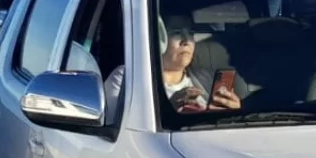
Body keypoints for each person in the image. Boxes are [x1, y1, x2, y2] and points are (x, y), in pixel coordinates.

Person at [103, 13, 241, 124]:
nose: (187, 41)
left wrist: (232, 116)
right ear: (156, 37)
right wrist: (168, 111)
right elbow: (120, 132)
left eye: (191, 33)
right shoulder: (127, 78)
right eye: (176, 33)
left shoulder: (207, 79)